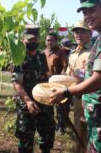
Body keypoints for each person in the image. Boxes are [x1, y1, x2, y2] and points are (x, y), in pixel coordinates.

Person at [50, 0, 101, 153]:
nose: (87, 16)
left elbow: (100, 81)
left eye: (92, 11)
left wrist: (66, 92)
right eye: (84, 13)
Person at [11, 24, 55, 153]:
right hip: (26, 104)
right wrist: (28, 101)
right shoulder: (18, 57)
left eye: (35, 39)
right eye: (30, 39)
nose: (33, 42)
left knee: (47, 135)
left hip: (44, 102)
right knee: (25, 138)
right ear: (23, 39)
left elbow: (47, 76)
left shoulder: (41, 56)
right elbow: (17, 83)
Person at [65, 20, 92, 153]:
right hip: (77, 98)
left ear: (90, 33)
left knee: (91, 132)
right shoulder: (73, 54)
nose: (78, 35)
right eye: (76, 32)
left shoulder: (94, 51)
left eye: (82, 31)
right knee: (78, 129)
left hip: (92, 98)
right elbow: (68, 74)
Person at [44, 32, 69, 134]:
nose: (49, 42)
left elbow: (65, 66)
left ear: (56, 41)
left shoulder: (61, 52)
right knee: (48, 104)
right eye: (48, 40)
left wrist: (60, 80)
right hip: (46, 83)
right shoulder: (44, 52)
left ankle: (61, 126)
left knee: (61, 106)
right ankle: (50, 124)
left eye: (51, 40)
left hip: (58, 83)